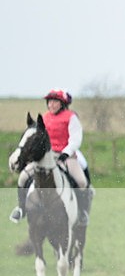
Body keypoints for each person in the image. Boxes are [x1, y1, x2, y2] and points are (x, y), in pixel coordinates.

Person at [10, 88, 93, 226]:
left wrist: (66, 153)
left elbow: (75, 139)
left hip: (65, 156)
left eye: (55, 101)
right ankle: (21, 208)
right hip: (46, 157)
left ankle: (82, 212)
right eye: (49, 102)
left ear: (62, 103)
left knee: (82, 182)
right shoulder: (44, 118)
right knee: (23, 177)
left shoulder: (71, 117)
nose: (51, 104)